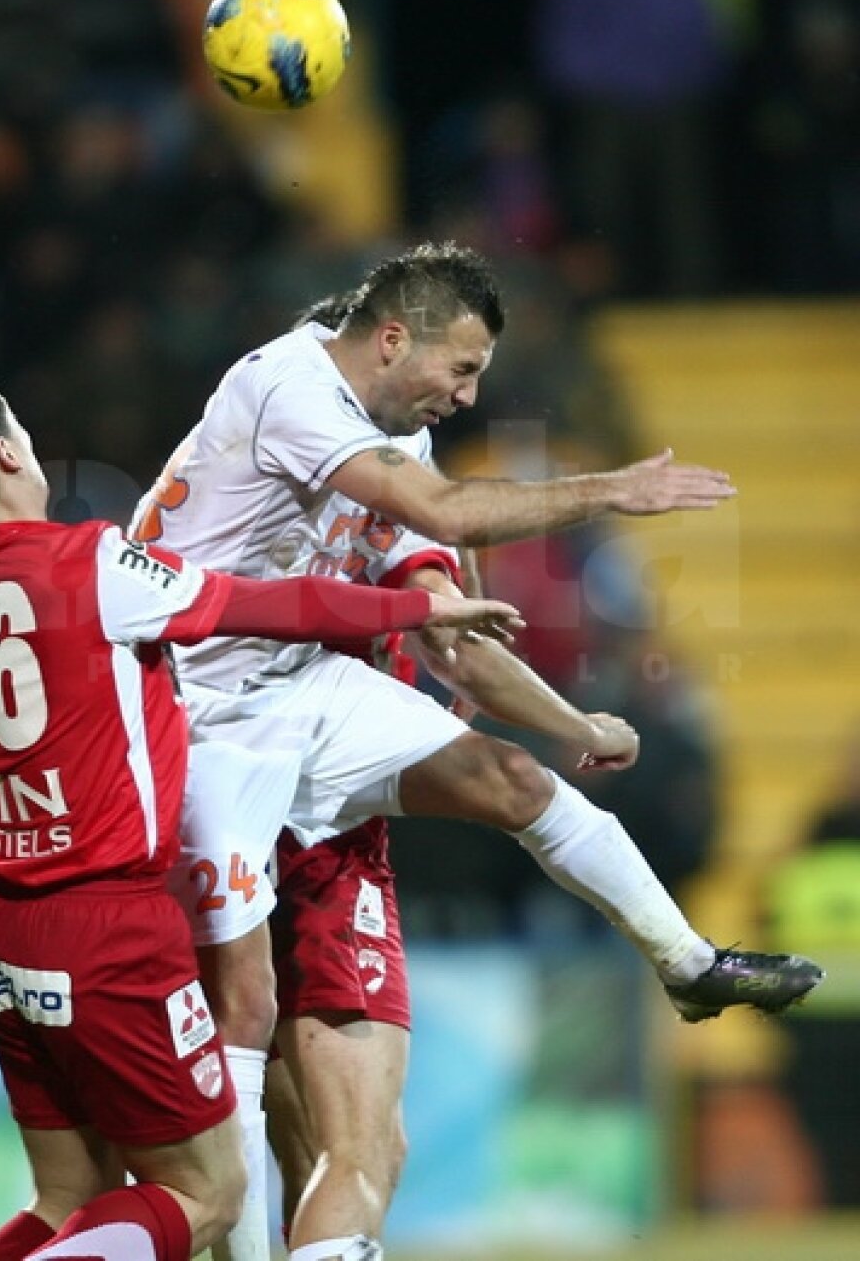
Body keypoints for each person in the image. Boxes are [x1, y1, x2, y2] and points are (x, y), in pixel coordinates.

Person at [131, 242, 824, 1261]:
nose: (465, 398)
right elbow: (449, 517)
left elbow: (451, 633)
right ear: (393, 339)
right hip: (193, 714)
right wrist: (616, 488)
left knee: (510, 777)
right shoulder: (290, 387)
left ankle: (689, 962)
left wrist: (576, 729)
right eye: (459, 372)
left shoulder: (399, 448)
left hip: (303, 689)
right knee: (253, 1037)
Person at [0, 350, 524, 1261]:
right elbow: (265, 603)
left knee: (65, 1201)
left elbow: (39, 745)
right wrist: (409, 615)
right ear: (8, 456)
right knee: (206, 1193)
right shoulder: (93, 561)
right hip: (103, 928)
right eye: (16, 422)